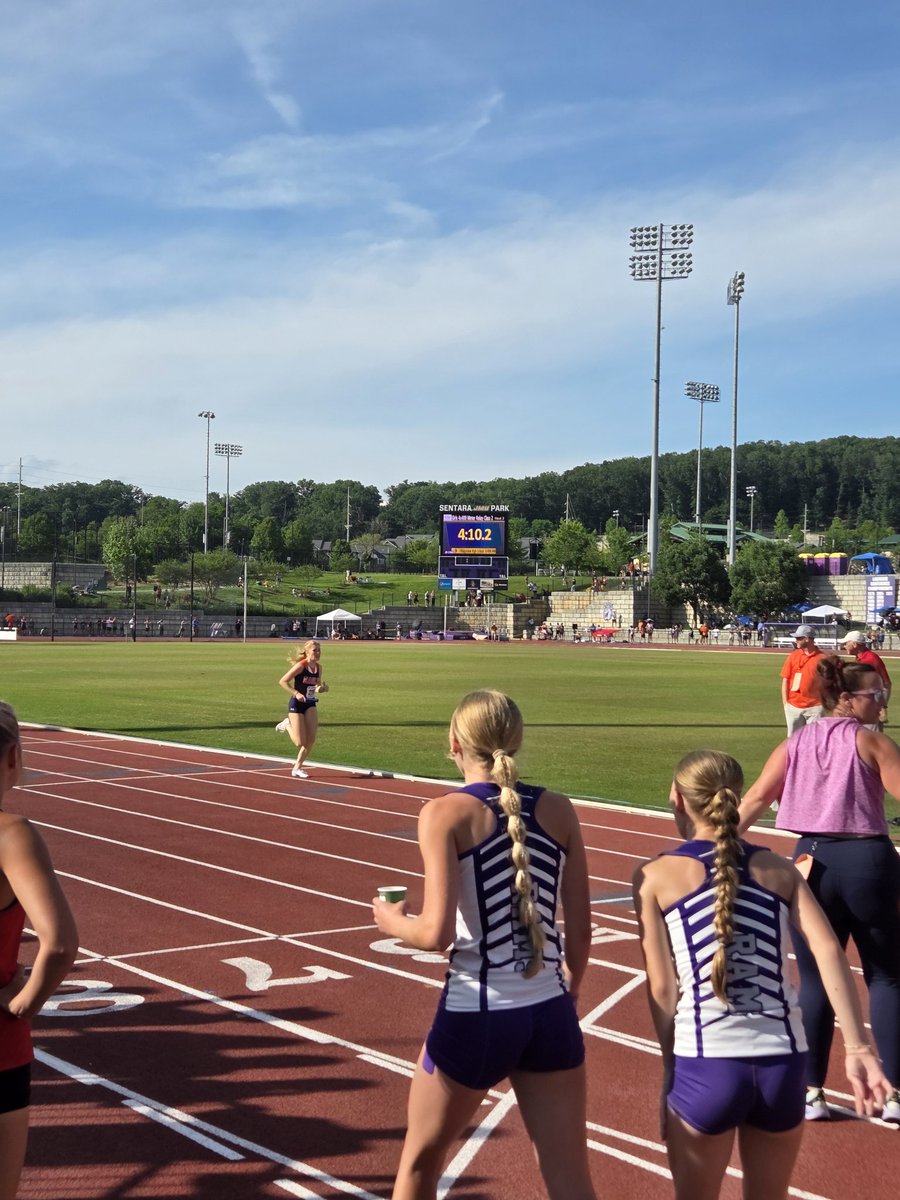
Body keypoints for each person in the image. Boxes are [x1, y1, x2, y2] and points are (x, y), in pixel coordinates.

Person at [634, 749, 889, 1200]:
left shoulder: (654, 875)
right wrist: (858, 1047)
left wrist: (671, 1073)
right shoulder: (780, 868)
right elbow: (829, 950)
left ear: (676, 798)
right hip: (783, 1067)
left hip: (705, 1064)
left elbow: (661, 986)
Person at [372, 690, 596, 1200]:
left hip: (476, 1012)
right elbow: (578, 933)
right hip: (549, 1012)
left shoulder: (444, 813)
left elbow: (435, 934)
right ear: (516, 742)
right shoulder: (559, 809)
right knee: (570, 1178)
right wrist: (569, 993)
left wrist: (392, 921)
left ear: (454, 743)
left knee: (418, 1167)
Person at [739, 655, 900, 1124]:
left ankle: (811, 1092)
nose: (883, 705)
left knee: (813, 980)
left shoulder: (794, 742)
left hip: (809, 863)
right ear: (846, 698)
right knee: (887, 976)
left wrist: (710, 852)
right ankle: (892, 1094)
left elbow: (753, 801)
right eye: (877, 695)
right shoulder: (873, 743)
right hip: (868, 859)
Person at [0, 702, 79, 1199]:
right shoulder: (11, 836)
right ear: (11, 756)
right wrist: (22, 1003)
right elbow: (60, 942)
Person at [275, 639, 328, 779]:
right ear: (307, 652)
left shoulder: (318, 667)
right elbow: (283, 681)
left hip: (310, 703)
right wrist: (296, 693)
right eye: (314, 650)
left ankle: (297, 767)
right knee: (300, 742)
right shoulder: (301, 666)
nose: (317, 653)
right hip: (297, 704)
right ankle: (287, 724)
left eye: (319, 651)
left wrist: (321, 688)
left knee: (311, 739)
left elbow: (315, 686)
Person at [840, 630, 891, 731]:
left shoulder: (868, 660)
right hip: (865, 708)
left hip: (869, 709)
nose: (844, 646)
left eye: (846, 643)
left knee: (871, 740)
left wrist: (882, 706)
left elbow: (885, 684)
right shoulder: (863, 658)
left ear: (854, 644)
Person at [779, 624, 824, 735]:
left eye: (798, 638)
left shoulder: (823, 659)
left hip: (815, 707)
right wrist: (786, 704)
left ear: (807, 638)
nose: (796, 641)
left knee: (814, 742)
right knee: (793, 742)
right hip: (793, 706)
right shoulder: (793, 655)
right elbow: (786, 679)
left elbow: (830, 682)